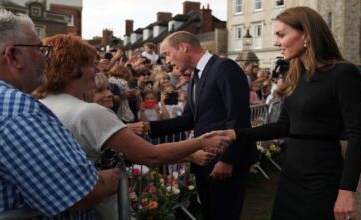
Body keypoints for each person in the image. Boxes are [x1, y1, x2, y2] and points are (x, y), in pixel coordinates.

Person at [32, 34, 232, 220]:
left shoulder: (40, 104)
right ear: (71, 69)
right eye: (91, 64)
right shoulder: (89, 112)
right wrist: (201, 142)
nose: (97, 69)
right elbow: (151, 155)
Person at [211, 6, 361, 220]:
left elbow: (358, 135)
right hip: (291, 175)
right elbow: (283, 126)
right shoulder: (296, 76)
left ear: (306, 35)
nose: (276, 42)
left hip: (322, 177)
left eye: (281, 35)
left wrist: (347, 191)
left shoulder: (343, 73)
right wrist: (234, 134)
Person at [0, 10, 120, 218]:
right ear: (14, 56)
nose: (47, 58)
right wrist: (107, 182)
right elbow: (79, 194)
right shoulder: (14, 112)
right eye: (41, 50)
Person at [147, 31, 256, 220]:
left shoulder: (224, 68)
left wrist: (228, 160)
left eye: (167, 53)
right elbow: (189, 119)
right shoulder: (196, 76)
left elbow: (238, 117)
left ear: (183, 47)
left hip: (225, 162)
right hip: (204, 161)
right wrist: (147, 127)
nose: (167, 61)